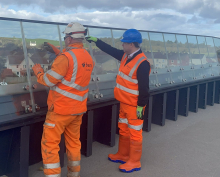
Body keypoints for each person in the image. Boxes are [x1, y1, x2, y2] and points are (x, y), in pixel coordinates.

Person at [32, 22, 94, 177]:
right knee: (73, 143)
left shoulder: (65, 58)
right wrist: (57, 51)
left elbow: (48, 80)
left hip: (60, 110)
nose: (65, 39)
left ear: (69, 39)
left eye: (66, 36)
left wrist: (38, 71)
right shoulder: (87, 56)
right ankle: (74, 174)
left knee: (50, 145)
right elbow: (72, 67)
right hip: (78, 109)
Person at [86, 29, 150, 173]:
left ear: (132, 44)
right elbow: (110, 50)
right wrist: (97, 41)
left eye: (124, 42)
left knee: (135, 133)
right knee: (123, 129)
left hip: (134, 106)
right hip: (124, 103)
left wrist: (141, 106)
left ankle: (134, 161)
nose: (122, 44)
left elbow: (145, 88)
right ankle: (123, 154)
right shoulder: (126, 56)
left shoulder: (142, 63)